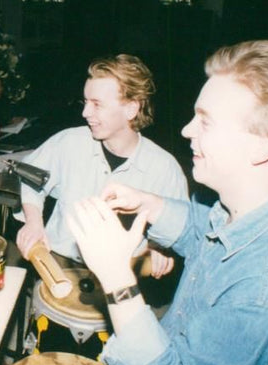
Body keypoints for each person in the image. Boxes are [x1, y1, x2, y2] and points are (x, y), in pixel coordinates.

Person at [67, 40, 268, 365]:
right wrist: (150, 204)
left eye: (205, 121)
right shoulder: (248, 206)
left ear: (263, 144)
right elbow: (205, 230)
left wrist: (116, 280)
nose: (185, 130)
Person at [15, 54, 188, 278]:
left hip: (121, 276)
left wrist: (160, 248)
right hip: (58, 263)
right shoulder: (68, 142)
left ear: (131, 109)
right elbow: (28, 177)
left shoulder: (164, 168)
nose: (85, 113)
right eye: (85, 102)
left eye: (97, 104)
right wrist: (33, 222)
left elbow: (182, 226)